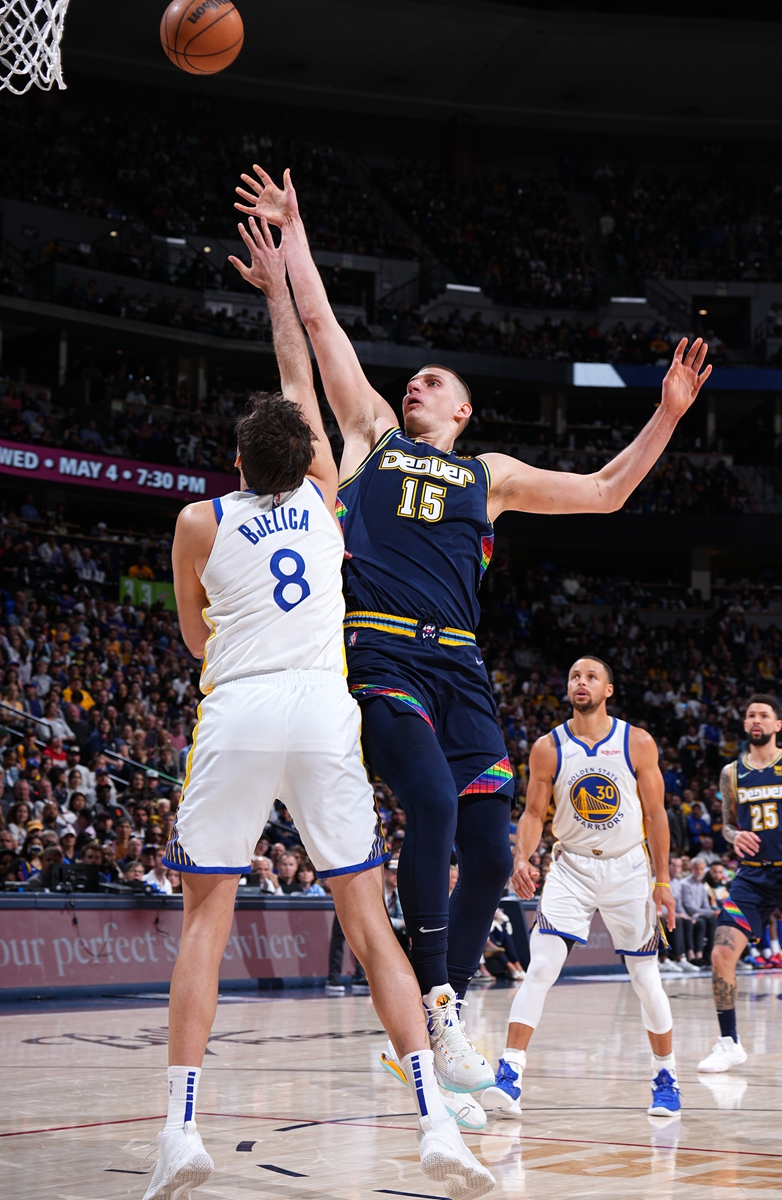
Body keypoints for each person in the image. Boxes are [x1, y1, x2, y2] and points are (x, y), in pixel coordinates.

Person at [236, 164, 711, 1089]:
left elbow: (608, 493)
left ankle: (442, 1007)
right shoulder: (371, 433)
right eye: (415, 374)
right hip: (380, 653)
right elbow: (323, 329)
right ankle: (437, 1004)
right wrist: (294, 232)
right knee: (437, 807)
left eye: (437, 379)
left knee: (494, 848)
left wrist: (664, 416)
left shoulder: (488, 474)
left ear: (462, 411)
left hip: (461, 670)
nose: (417, 378)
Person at [141, 216, 493, 1200]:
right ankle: (431, 1121)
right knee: (370, 925)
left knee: (204, 920)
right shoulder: (326, 498)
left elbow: (194, 639)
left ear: (235, 460)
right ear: (302, 461)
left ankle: (180, 1133)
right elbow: (299, 379)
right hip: (325, 709)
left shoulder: (196, 521)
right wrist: (275, 292)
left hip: (242, 708)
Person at [480, 657, 680, 1120]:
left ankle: (665, 1076)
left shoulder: (637, 742)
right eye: (574, 676)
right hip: (571, 867)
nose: (581, 682)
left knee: (645, 980)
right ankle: (510, 1075)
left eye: (591, 677)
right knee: (541, 966)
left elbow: (656, 816)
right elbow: (532, 814)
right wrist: (522, 857)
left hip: (629, 868)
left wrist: (663, 880)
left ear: (608, 689)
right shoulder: (549, 746)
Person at [698, 694, 782, 1073]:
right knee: (721, 953)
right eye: (751, 715)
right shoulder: (732, 772)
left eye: (764, 715)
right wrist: (733, 837)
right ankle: (729, 1042)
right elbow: (729, 822)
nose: (757, 720)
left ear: (777, 725)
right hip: (752, 875)